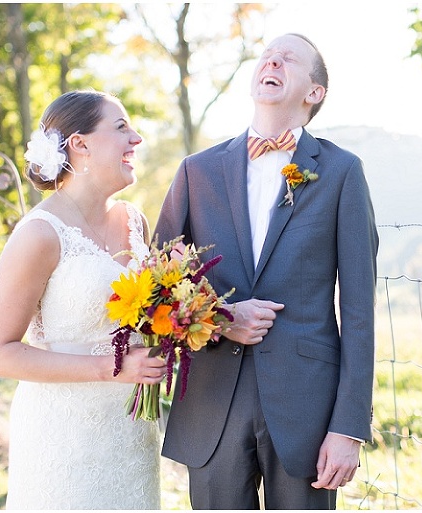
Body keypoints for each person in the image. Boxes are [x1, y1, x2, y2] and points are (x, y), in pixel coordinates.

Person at [155, 33, 379, 509]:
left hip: (308, 411)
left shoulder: (341, 172)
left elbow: (359, 309)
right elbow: (159, 286)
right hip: (213, 403)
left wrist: (349, 426)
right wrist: (220, 319)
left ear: (313, 92)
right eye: (267, 55)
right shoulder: (197, 171)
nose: (272, 60)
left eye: (289, 58)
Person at [0, 90, 165, 510]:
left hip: (131, 431)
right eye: (121, 128)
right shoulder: (39, 233)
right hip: (63, 436)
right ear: (79, 144)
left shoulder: (134, 221)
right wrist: (110, 368)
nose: (135, 139)